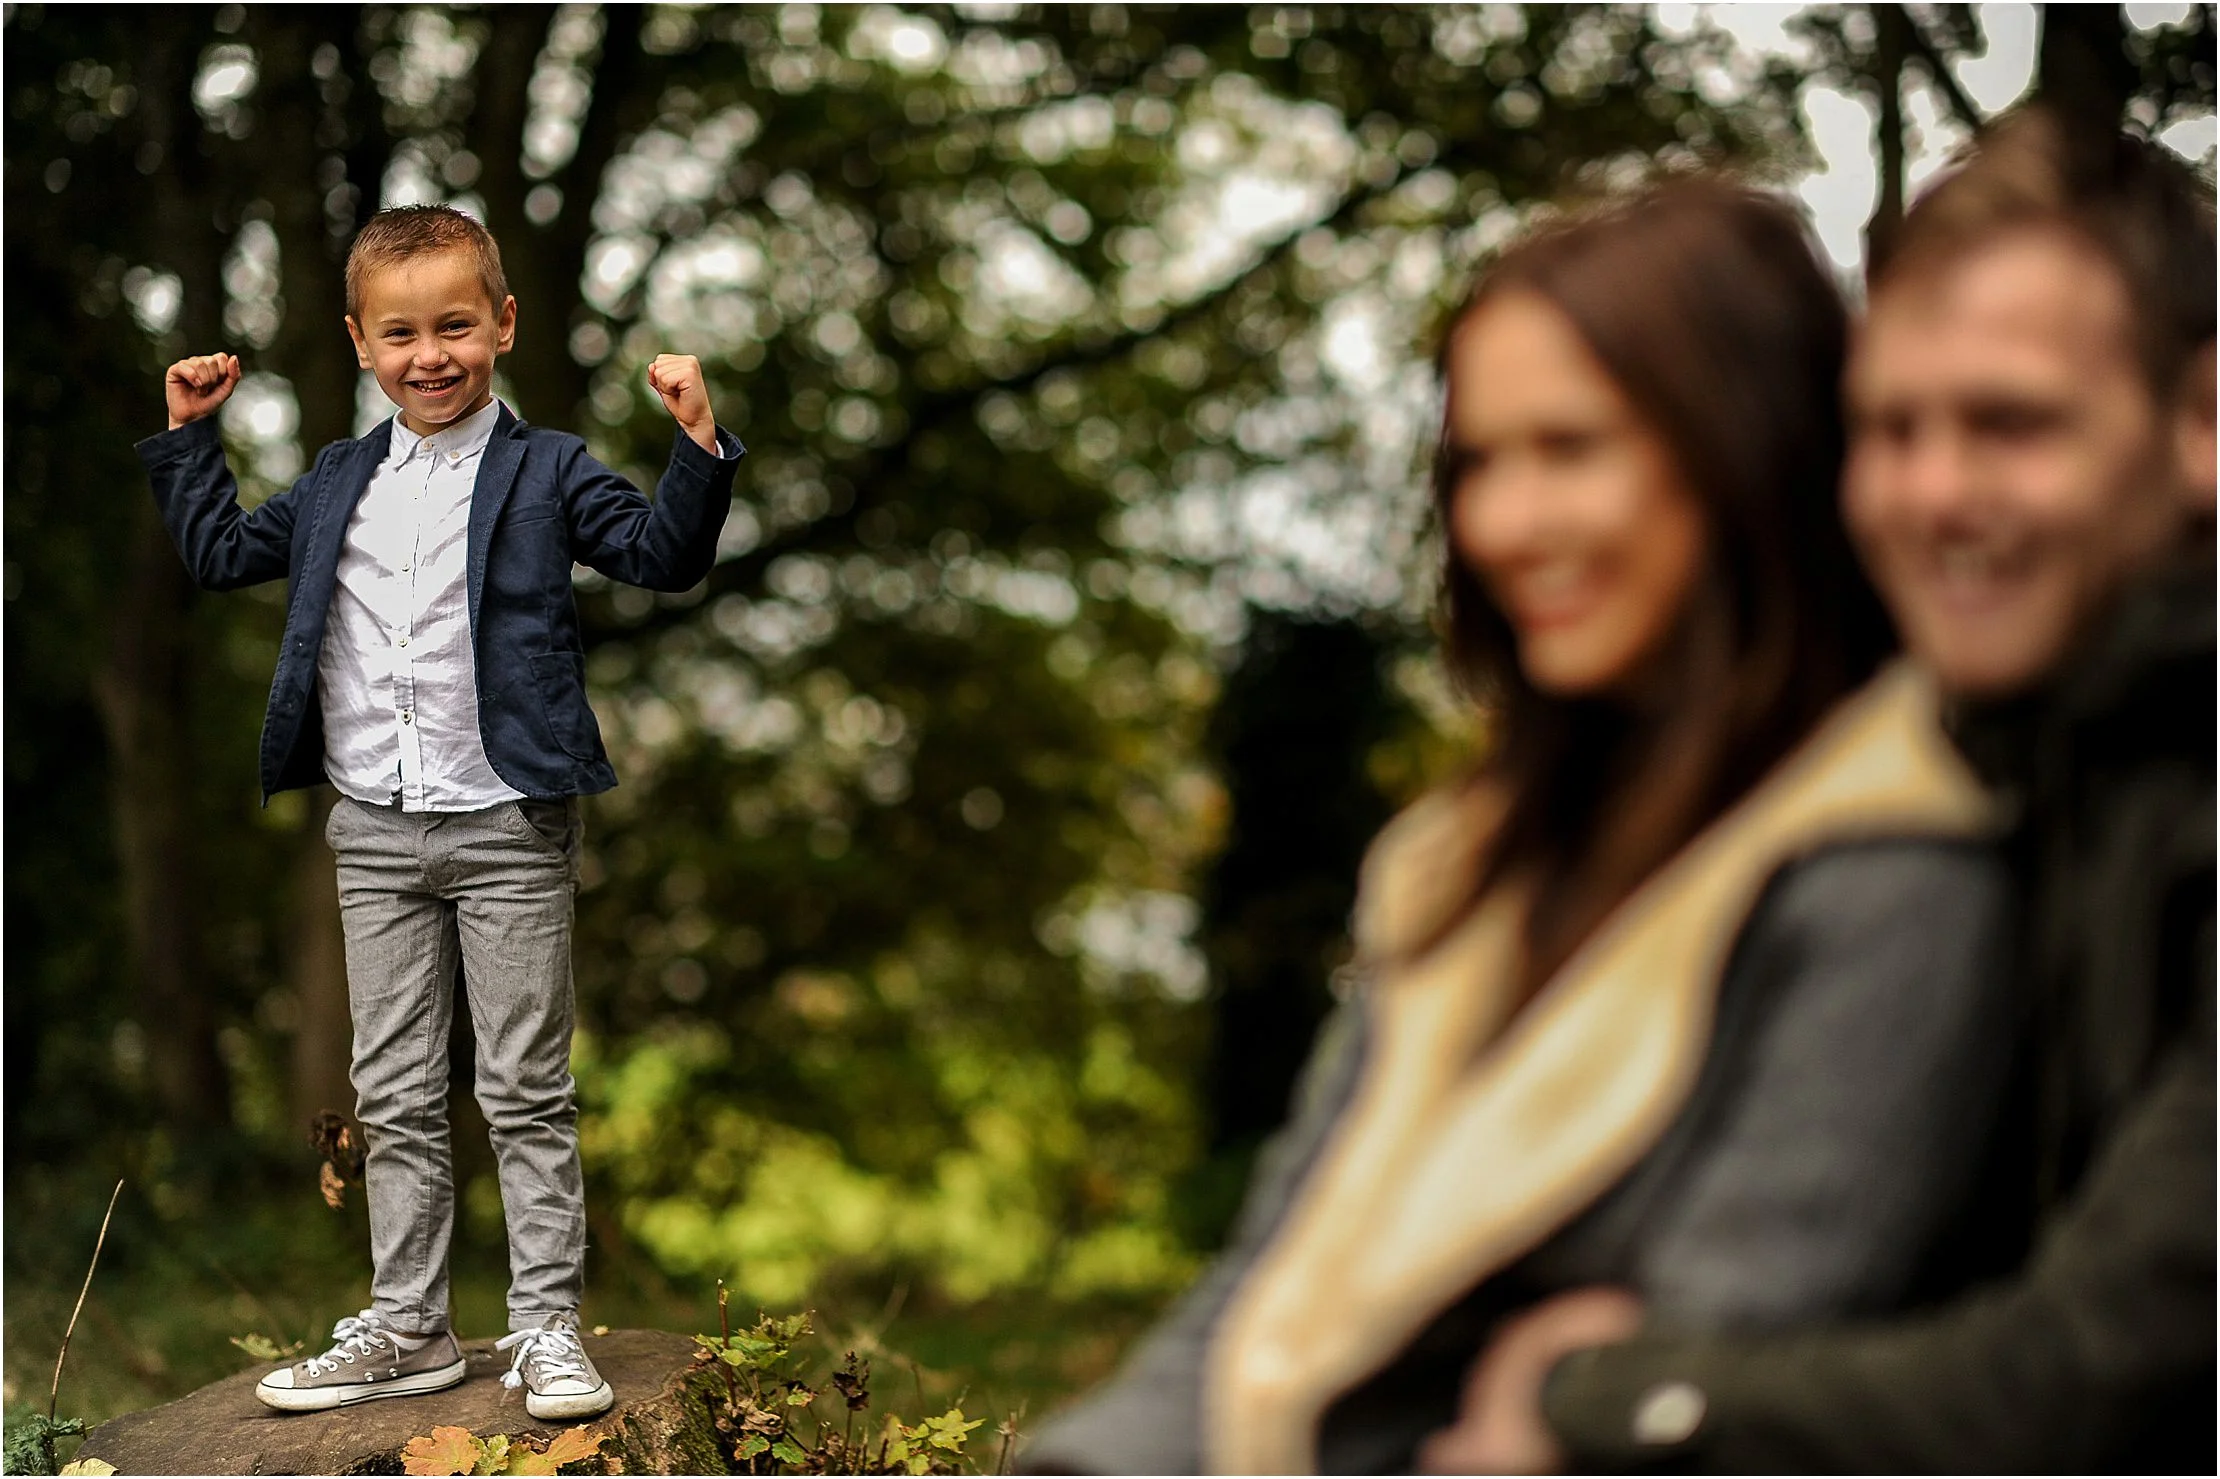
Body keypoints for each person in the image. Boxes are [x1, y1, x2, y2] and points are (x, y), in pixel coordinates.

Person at [1021, 180, 2020, 1475]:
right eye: (1480, 462)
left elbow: (1712, 1380)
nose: (1501, 522)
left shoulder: (1896, 869)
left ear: (1744, 445)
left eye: (1570, 449)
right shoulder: (1464, 862)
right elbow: (1263, 1301)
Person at [1425, 107, 2215, 1475]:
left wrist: (1602, 1393)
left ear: (2202, 423)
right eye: (1889, 430)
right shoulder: (2002, 768)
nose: (1934, 492)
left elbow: (2096, 1377)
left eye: (2011, 424)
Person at [137, 205, 746, 1419]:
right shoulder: (334, 482)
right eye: (402, 332)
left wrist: (698, 442)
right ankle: (411, 1324)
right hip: (373, 831)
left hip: (509, 823)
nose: (432, 355)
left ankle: (544, 1329)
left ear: (503, 326)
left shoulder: (550, 468)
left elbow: (658, 557)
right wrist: (190, 437)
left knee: (523, 1088)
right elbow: (218, 556)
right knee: (397, 1091)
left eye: (457, 326)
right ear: (361, 341)